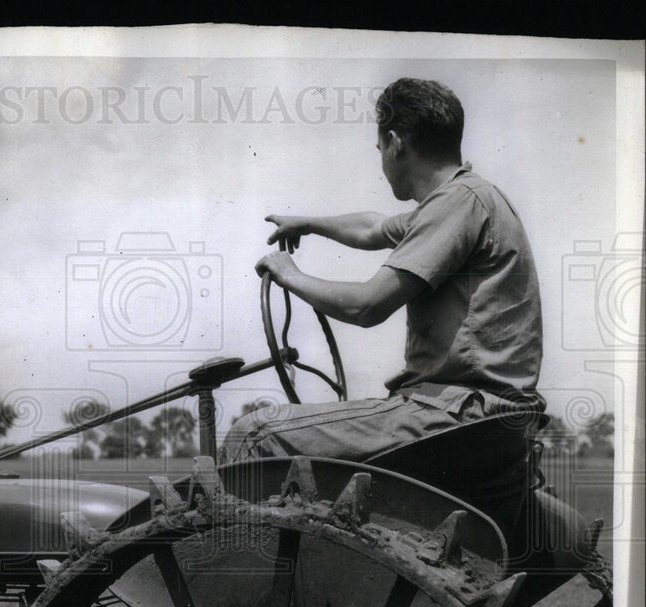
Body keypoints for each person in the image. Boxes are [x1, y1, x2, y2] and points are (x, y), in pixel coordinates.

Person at [223, 78, 544, 464]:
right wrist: (307, 223)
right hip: (480, 417)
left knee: (253, 436)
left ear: (395, 143)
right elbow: (373, 229)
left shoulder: (458, 203)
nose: (381, 160)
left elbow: (367, 306)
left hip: (457, 415)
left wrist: (288, 274)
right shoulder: (463, 199)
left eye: (379, 148)